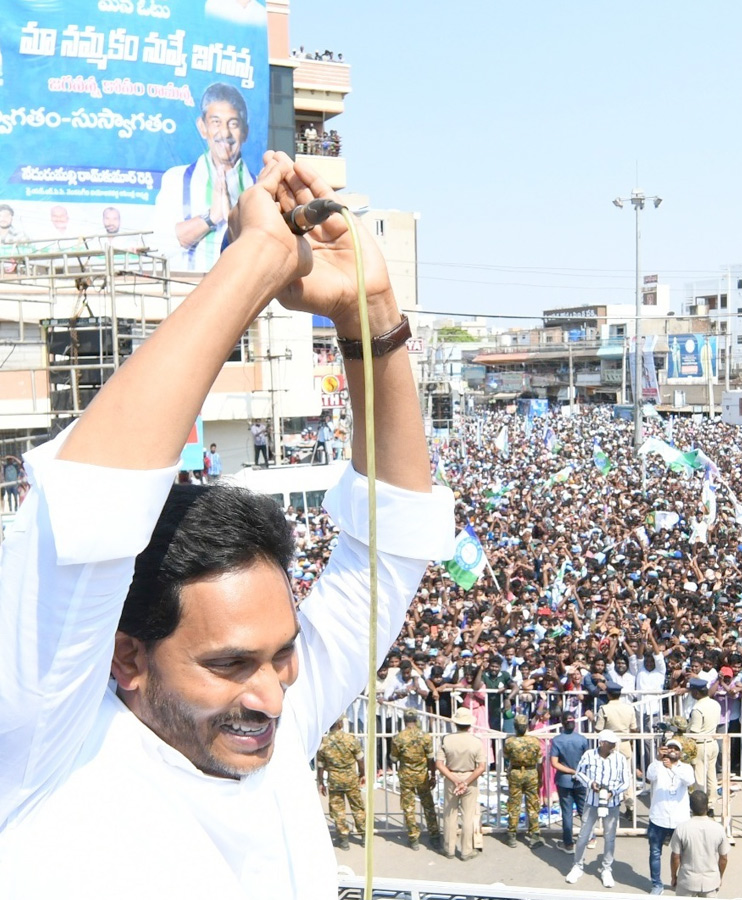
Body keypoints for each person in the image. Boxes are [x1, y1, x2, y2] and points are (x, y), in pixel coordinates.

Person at [0, 152, 452, 897]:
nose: (272, 694)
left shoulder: (275, 712)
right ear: (126, 658)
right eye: (230, 663)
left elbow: (392, 542)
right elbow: (86, 508)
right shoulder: (46, 741)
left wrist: (369, 309)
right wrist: (254, 263)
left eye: (282, 655)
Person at [154, 83, 256, 272]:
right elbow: (161, 247)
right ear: (202, 127)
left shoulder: (259, 188)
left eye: (233, 124)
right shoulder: (177, 179)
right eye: (216, 122)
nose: (225, 133)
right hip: (187, 292)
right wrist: (211, 217)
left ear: (245, 132)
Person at [565, 729, 631, 889]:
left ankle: (606, 869)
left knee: (610, 837)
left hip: (612, 803)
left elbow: (626, 781)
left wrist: (612, 792)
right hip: (591, 802)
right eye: (611, 743)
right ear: (602, 743)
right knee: (583, 835)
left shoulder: (620, 759)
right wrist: (590, 783)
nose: (614, 745)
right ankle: (577, 865)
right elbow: (579, 774)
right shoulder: (589, 755)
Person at [645, 736, 696, 895]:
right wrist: (658, 759)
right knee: (655, 852)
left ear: (680, 753)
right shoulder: (658, 765)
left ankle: (679, 881)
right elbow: (649, 776)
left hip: (679, 819)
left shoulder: (685, 768)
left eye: (675, 749)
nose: (672, 751)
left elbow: (689, 780)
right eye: (670, 748)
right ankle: (657, 884)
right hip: (659, 817)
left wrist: (672, 768)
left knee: (683, 854)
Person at [437, 707, 487, 860]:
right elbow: (481, 767)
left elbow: (439, 764)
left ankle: (449, 848)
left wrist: (455, 780)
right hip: (470, 779)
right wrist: (465, 782)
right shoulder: (476, 742)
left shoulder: (446, 739)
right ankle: (466, 850)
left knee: (450, 814)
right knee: (468, 815)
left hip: (451, 777)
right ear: (469, 724)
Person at [389, 709, 440, 851]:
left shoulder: (398, 738)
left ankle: (413, 838)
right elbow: (431, 759)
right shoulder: (425, 737)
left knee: (408, 808)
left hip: (406, 777)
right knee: (428, 806)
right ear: (416, 719)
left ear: (404, 720)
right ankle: (434, 836)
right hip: (422, 776)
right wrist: (433, 776)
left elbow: (393, 759)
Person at [315, 718, 366, 848]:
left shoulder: (324, 743)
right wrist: (362, 774)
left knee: (338, 810)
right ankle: (364, 835)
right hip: (350, 779)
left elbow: (320, 766)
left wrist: (321, 782)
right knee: (357, 807)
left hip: (334, 780)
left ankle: (343, 839)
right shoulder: (350, 739)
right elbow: (360, 760)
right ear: (340, 724)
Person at [669, 790, 730, 898]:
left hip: (687, 881)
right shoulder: (718, 829)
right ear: (707, 807)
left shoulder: (682, 828)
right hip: (710, 883)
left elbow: (675, 856)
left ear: (690, 807)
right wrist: (719, 876)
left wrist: (674, 876)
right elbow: (724, 858)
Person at [595, 683, 639, 817]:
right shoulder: (629, 708)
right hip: (625, 743)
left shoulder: (604, 709)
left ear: (608, 694)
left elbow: (598, 729)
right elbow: (634, 728)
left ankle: (606, 802)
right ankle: (629, 802)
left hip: (609, 745)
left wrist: (592, 719)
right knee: (626, 774)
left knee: (607, 774)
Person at [503, 713, 545, 848]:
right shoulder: (534, 741)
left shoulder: (509, 742)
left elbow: (506, 756)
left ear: (515, 727)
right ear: (526, 726)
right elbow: (539, 759)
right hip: (531, 772)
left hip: (515, 772)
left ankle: (511, 835)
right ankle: (534, 836)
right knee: (533, 804)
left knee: (514, 803)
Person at [550, 711, 589, 852]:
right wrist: (578, 772)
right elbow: (587, 761)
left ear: (562, 723)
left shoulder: (557, 740)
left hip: (564, 780)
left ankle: (568, 843)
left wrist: (570, 771)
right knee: (583, 810)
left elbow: (554, 763)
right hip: (581, 779)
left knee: (567, 812)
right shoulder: (582, 740)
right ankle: (589, 838)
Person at [687, 676, 721, 812]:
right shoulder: (715, 704)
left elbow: (694, 731)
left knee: (699, 778)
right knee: (711, 775)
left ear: (696, 692)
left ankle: (700, 806)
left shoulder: (697, 708)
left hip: (701, 745)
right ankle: (711, 804)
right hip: (713, 743)